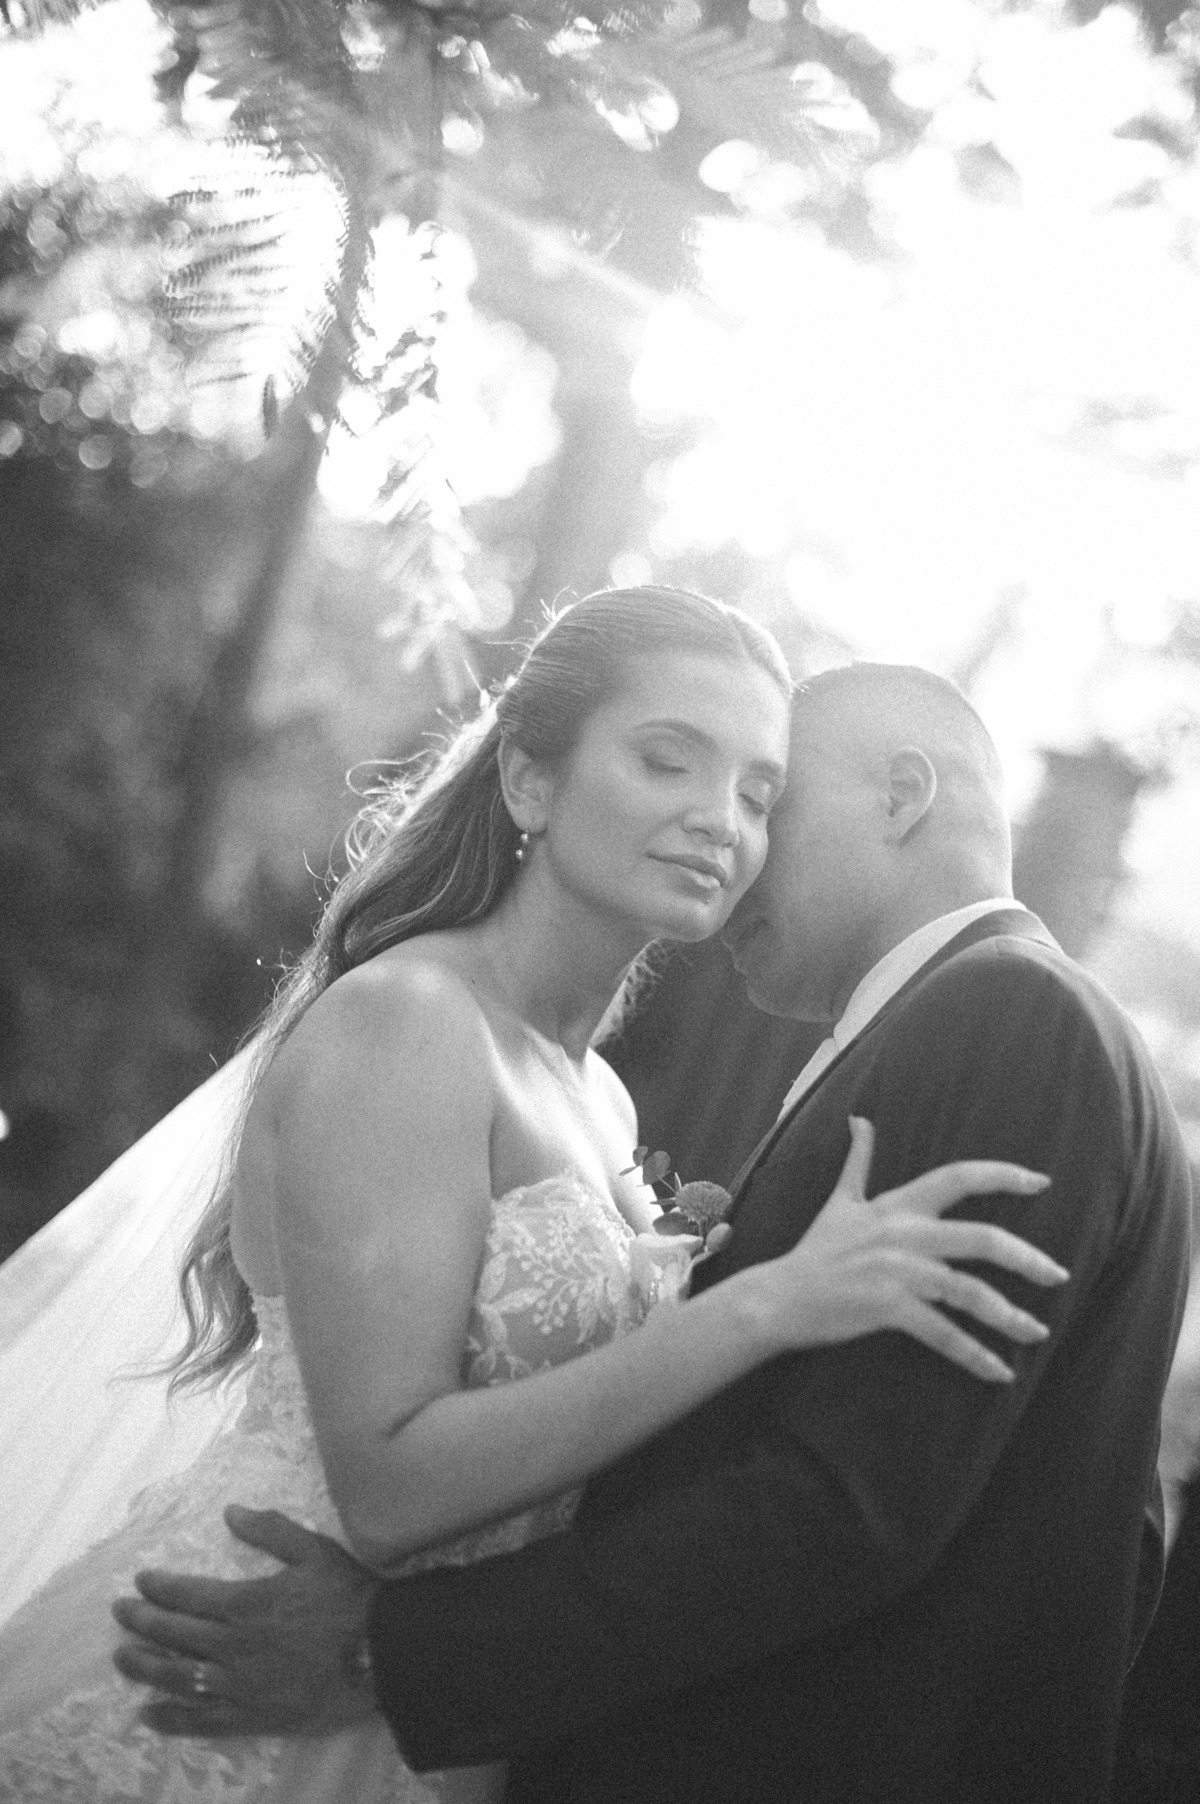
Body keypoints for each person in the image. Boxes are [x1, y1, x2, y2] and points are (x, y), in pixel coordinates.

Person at [0, 599, 1063, 1804]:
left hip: (428, 1720)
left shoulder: (600, 1099)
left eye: (761, 793)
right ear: (528, 779)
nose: (719, 818)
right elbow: (391, 1489)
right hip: (225, 1690)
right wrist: (763, 1305)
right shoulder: (408, 1026)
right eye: (668, 758)